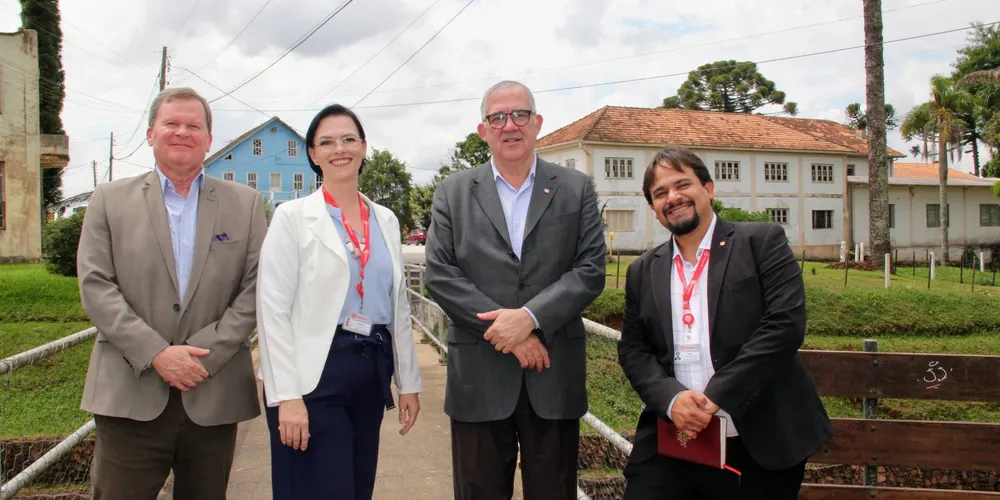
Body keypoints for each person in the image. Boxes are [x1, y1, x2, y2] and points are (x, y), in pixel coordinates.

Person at [76, 87, 266, 499]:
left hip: (212, 394)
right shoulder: (108, 200)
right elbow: (96, 285)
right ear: (150, 134)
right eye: (172, 124)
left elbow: (256, 287)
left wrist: (206, 354)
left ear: (209, 139)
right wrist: (157, 353)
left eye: (193, 125)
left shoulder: (246, 204)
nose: (182, 132)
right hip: (130, 394)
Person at [616, 146, 834, 499]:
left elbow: (784, 325)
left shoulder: (761, 242)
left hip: (760, 440)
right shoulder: (642, 271)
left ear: (709, 188)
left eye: (682, 184)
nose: (673, 198)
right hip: (674, 439)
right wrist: (672, 401)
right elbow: (633, 350)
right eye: (660, 193)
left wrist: (715, 396)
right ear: (654, 210)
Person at [424, 80, 607, 500]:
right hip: (479, 376)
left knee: (554, 492)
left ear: (537, 122)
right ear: (482, 130)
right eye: (497, 117)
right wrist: (512, 335)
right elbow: (440, 273)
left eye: (519, 114)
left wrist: (529, 319)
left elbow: (591, 269)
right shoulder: (452, 192)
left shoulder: (575, 188)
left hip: (553, 371)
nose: (510, 125)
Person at [255, 103, 422, 500]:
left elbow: (397, 305)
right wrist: (287, 398)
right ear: (312, 154)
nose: (339, 149)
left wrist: (408, 382)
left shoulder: (384, 219)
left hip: (370, 367)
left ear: (364, 147)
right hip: (313, 375)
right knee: (317, 489)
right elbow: (272, 311)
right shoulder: (292, 217)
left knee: (356, 487)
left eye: (348, 139)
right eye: (326, 142)